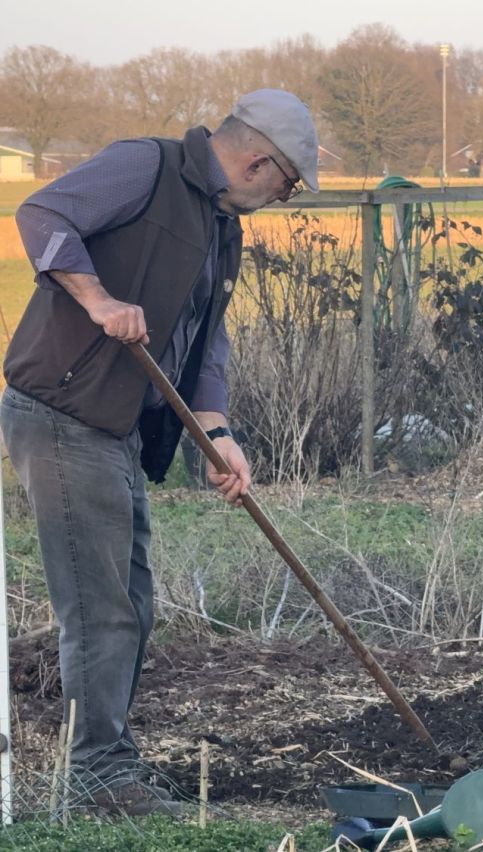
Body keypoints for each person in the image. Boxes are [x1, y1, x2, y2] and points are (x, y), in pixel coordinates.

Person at [1, 89, 319, 814]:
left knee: (132, 604)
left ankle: (110, 762)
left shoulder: (218, 225)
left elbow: (207, 342)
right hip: (61, 411)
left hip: (112, 425)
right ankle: (97, 780)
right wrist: (97, 300)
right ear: (257, 159)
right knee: (102, 606)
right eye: (289, 181)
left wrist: (218, 432)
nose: (285, 194)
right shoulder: (146, 168)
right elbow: (43, 214)